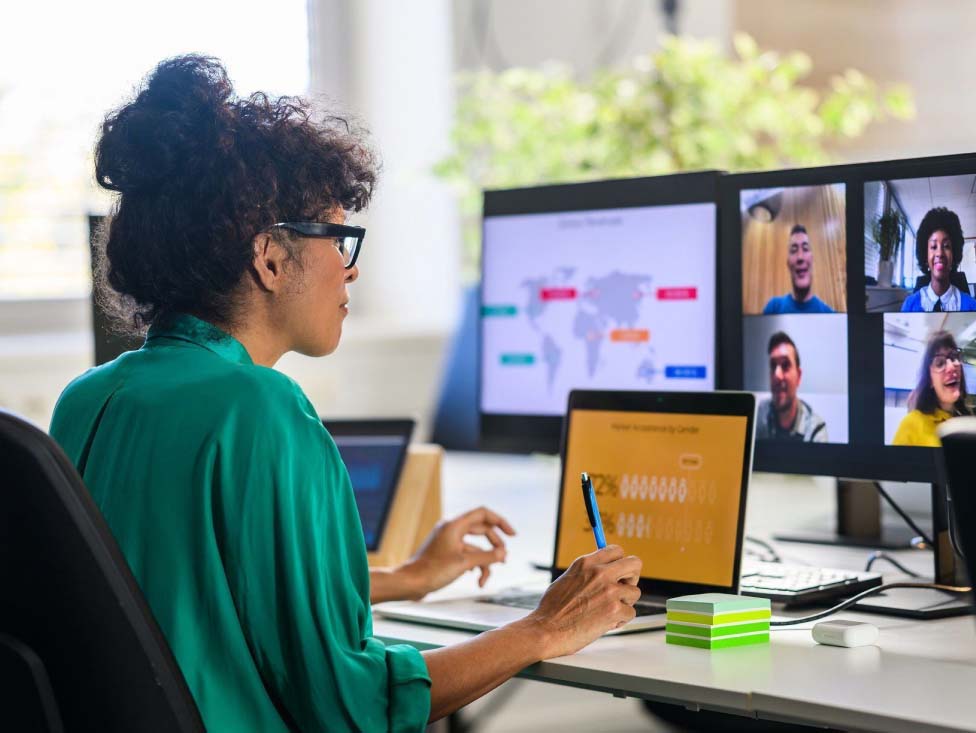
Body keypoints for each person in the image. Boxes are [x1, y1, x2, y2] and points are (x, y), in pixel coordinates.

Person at [48, 56, 641, 733]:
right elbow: (352, 706)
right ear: (270, 257)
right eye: (337, 236)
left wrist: (410, 576)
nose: (350, 266)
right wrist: (543, 627)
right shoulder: (262, 411)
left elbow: (190, 596)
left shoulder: (88, 400)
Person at [892, 331, 971, 447]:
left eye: (953, 357)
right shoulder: (910, 425)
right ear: (930, 381)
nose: (951, 367)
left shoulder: (968, 419)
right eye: (939, 363)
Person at [900, 207, 976, 312]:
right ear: (925, 256)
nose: (940, 253)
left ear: (954, 254)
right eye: (933, 246)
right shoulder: (909, 305)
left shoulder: (971, 306)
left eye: (946, 246)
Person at [755, 331, 828, 442]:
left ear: (798, 376)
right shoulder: (757, 417)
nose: (777, 375)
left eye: (785, 365)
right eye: (773, 365)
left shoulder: (815, 429)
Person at [762, 224, 835, 314]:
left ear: (812, 259)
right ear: (788, 263)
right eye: (793, 250)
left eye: (805, 248)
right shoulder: (773, 308)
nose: (800, 257)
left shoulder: (829, 314)